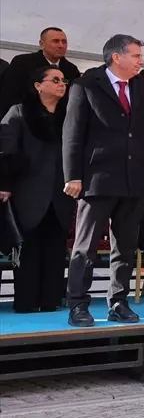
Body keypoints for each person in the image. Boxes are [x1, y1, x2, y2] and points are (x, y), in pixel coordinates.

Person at [62, 34, 144, 327]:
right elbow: (72, 133)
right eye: (136, 56)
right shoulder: (86, 84)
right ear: (117, 57)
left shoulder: (141, 87)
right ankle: (78, 304)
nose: (141, 62)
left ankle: (118, 302)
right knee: (86, 246)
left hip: (134, 178)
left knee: (126, 247)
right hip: (97, 178)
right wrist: (73, 176)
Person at [0, 66, 74, 312]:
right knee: (28, 249)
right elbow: (6, 151)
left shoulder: (70, 114)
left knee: (55, 248)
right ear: (38, 85)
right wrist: (5, 184)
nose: (61, 84)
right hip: (27, 190)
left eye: (63, 80)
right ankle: (26, 303)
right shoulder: (19, 113)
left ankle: (51, 301)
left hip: (61, 192)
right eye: (55, 80)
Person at [0, 27, 81, 115]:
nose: (61, 45)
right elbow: (9, 94)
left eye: (64, 42)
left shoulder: (71, 70)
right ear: (42, 44)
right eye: (55, 41)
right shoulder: (22, 62)